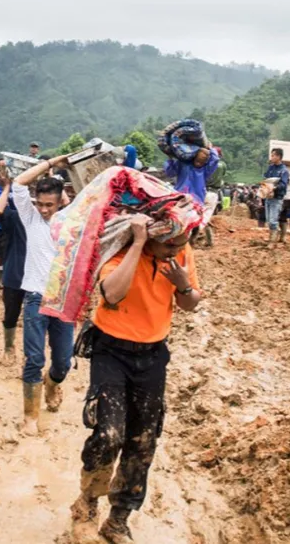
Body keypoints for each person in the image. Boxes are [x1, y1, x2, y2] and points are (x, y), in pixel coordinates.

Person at [69, 215, 202, 544]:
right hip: (111, 350)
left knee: (143, 441)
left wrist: (183, 283)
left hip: (152, 354)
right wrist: (139, 243)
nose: (176, 251)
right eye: (169, 245)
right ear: (152, 238)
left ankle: (118, 519)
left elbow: (190, 305)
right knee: (109, 433)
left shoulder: (179, 253)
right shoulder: (121, 249)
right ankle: (87, 504)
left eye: (182, 245)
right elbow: (111, 295)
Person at [11, 154, 75, 436]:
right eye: (40, 204)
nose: (44, 210)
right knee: (34, 358)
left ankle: (53, 382)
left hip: (63, 301)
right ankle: (30, 417)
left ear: (61, 200)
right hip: (36, 297)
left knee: (63, 361)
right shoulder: (31, 218)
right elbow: (19, 182)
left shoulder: (71, 220)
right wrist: (52, 163)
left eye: (50, 204)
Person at [0, 163, 27, 363]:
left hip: (37, 277)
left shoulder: (48, 221)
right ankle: (9, 346)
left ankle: (30, 354)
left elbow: (64, 203)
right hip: (15, 274)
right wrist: (8, 186)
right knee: (11, 313)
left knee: (34, 318)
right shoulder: (17, 219)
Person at [264, 148, 290, 244]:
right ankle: (272, 236)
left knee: (273, 220)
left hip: (277, 197)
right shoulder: (270, 168)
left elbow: (283, 184)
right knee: (268, 219)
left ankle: (273, 241)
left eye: (273, 155)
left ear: (279, 157)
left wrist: (274, 187)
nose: (271, 157)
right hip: (268, 196)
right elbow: (266, 177)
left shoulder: (284, 171)